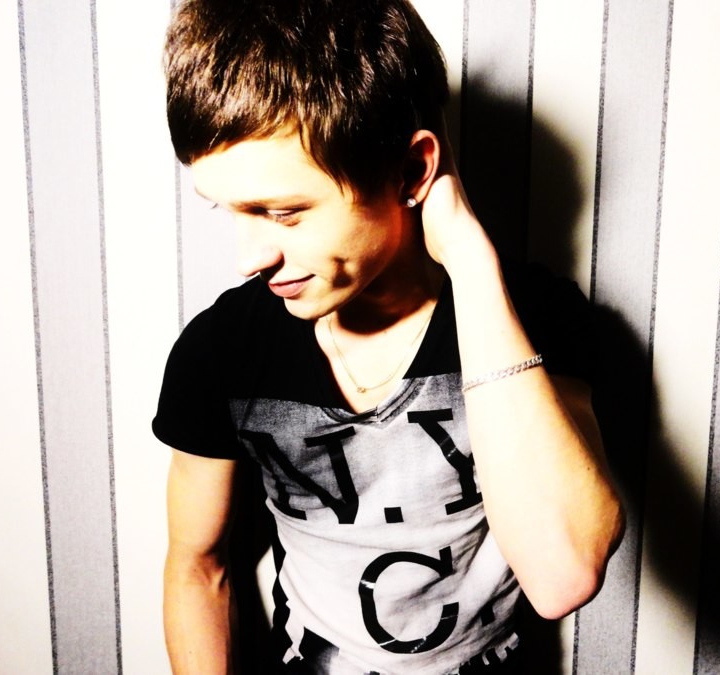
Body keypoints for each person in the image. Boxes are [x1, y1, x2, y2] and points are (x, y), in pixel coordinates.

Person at [153, 0, 624, 672]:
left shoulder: (534, 317)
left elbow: (562, 574)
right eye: (229, 211)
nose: (248, 256)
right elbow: (198, 569)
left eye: (284, 213)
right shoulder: (222, 350)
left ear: (410, 171)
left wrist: (468, 257)